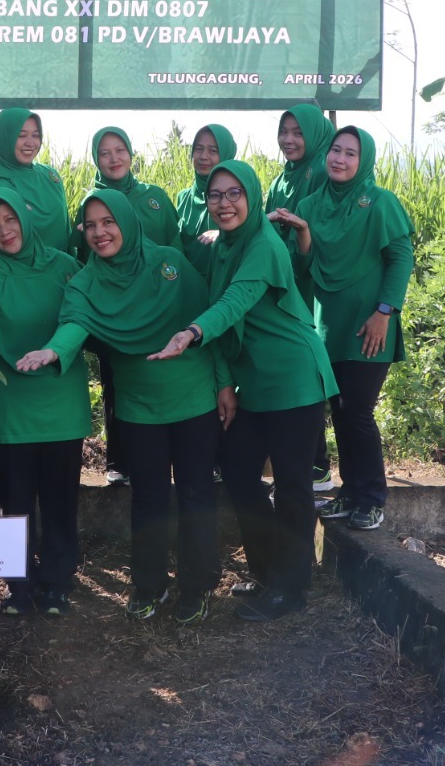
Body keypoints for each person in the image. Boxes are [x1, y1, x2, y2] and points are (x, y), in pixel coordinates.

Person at [17, 191, 230, 624]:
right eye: (91, 225)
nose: (100, 232)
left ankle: (198, 585)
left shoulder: (169, 262)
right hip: (138, 408)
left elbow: (208, 321)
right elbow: (74, 323)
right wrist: (54, 351)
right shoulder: (85, 283)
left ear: (128, 223)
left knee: (196, 493)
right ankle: (149, 584)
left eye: (109, 221)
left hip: (193, 398)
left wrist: (225, 383)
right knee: (148, 498)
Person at [152, 160, 337, 622]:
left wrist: (191, 333)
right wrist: (224, 384)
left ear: (252, 197)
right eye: (215, 195)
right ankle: (267, 569)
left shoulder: (264, 245)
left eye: (235, 193)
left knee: (292, 485)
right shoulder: (223, 245)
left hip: (294, 376)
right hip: (254, 381)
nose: (224, 203)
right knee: (237, 471)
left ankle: (290, 588)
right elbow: (214, 299)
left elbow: (233, 303)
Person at [0, 187, 89, 617]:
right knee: (15, 502)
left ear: (25, 220)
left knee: (61, 500)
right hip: (9, 405)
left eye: (10, 220)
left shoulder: (65, 266)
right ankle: (19, 586)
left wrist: (53, 350)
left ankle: (58, 583)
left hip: (60, 400)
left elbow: (80, 316)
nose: (4, 231)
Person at [273, 127, 414, 533]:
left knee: (358, 411)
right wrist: (302, 233)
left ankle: (371, 499)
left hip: (370, 325)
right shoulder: (310, 205)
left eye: (351, 153)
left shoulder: (380, 202)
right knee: (340, 411)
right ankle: (350, 493)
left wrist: (384, 311)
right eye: (336, 150)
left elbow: (401, 258)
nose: (340, 159)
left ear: (363, 160)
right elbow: (303, 268)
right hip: (328, 326)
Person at [86, 125, 179, 486]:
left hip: (159, 303)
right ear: (96, 159)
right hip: (116, 307)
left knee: (164, 375)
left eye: (120, 150)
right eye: (104, 152)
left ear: (131, 153)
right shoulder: (91, 202)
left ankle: (170, 456)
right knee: (116, 380)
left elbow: (174, 247)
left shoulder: (154, 197)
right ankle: (119, 461)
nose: (113, 159)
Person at [266, 105, 338, 491]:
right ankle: (302, 464)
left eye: (298, 132)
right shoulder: (282, 180)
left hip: (315, 287)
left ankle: (317, 465)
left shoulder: (324, 172)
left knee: (308, 374)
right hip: (284, 286)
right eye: (284, 131)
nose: (288, 140)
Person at [0, 107, 72, 256]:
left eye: (36, 135)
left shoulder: (50, 176)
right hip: (18, 268)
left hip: (61, 266)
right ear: (4, 137)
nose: (30, 143)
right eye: (21, 135)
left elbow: (65, 230)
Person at [174, 124, 238, 281]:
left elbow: (254, 230)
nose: (203, 156)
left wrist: (224, 234)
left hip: (226, 282)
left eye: (213, 151)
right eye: (198, 149)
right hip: (189, 284)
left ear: (226, 154)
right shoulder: (184, 197)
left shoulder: (237, 196)